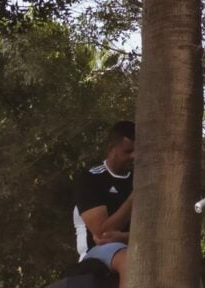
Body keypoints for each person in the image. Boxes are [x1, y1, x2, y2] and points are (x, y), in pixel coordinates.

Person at [73, 121, 135, 287]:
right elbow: (102, 233)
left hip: (133, 242)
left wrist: (123, 237)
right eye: (128, 151)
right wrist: (134, 198)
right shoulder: (90, 179)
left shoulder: (140, 178)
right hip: (96, 253)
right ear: (111, 150)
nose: (133, 156)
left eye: (137, 151)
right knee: (130, 262)